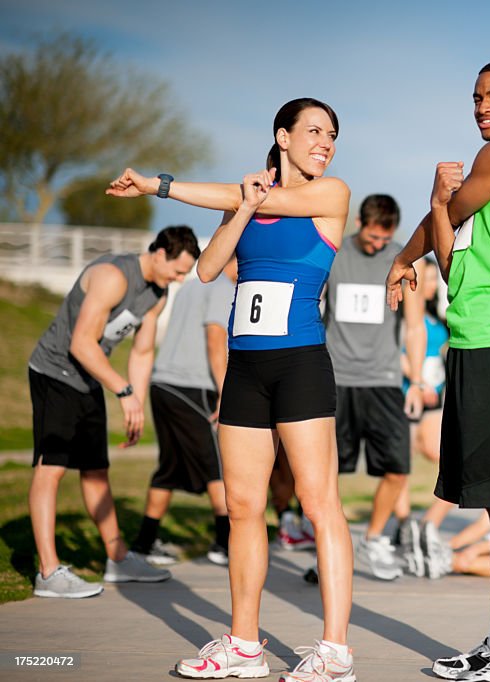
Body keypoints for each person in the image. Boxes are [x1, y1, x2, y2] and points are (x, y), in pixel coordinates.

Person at [108, 97, 356, 681]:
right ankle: (244, 645)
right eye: (315, 131)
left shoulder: (331, 194)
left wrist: (157, 185)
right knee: (243, 507)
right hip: (246, 369)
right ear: (283, 136)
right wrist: (242, 209)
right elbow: (210, 267)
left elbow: (256, 197)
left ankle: (335, 650)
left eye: (332, 134)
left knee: (320, 505)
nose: (326, 142)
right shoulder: (247, 198)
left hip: (299, 365)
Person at [387, 59, 490, 682]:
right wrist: (413, 254)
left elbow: (446, 229)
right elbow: (453, 249)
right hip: (479, 339)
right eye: (476, 97)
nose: (483, 106)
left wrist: (430, 211)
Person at [28, 226, 197, 598]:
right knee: (51, 468)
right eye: (177, 270)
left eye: (185, 273)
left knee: (96, 472)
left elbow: (142, 351)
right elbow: (81, 342)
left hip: (89, 378)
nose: (180, 279)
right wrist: (121, 390)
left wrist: (134, 401)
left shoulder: (158, 293)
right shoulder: (112, 277)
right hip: (55, 372)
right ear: (158, 254)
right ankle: (48, 571)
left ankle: (118, 558)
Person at [324, 193, 426, 581]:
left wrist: (415, 381)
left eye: (385, 239)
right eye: (372, 237)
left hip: (384, 380)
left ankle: (371, 539)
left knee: (398, 468)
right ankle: (329, 546)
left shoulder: (403, 258)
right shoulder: (334, 255)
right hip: (336, 379)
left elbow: (414, 326)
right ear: (358, 224)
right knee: (328, 471)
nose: (378, 245)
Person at [129, 259, 238, 568]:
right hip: (192, 387)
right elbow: (215, 341)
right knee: (218, 465)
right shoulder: (223, 288)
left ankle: (144, 543)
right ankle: (225, 543)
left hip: (164, 384)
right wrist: (225, 392)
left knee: (169, 468)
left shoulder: (194, 285)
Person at [393, 258, 453, 579]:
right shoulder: (404, 316)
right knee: (400, 467)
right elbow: (398, 352)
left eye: (433, 279)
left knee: (450, 461)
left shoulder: (437, 317)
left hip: (434, 400)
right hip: (407, 396)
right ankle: (405, 528)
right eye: (426, 278)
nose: (430, 284)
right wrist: (420, 382)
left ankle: (429, 523)